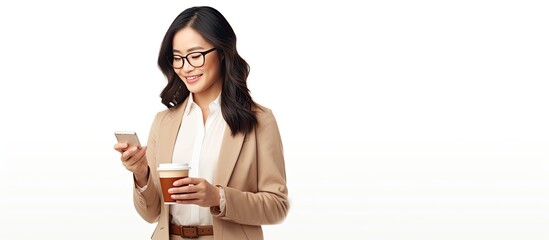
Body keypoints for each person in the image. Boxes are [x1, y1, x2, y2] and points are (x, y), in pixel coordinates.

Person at [113, 6, 289, 240]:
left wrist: (218, 197)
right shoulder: (163, 122)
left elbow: (277, 207)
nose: (186, 67)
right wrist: (141, 173)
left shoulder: (259, 121)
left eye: (195, 55)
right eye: (177, 58)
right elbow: (152, 213)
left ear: (223, 52)